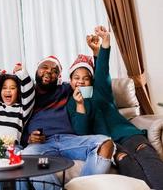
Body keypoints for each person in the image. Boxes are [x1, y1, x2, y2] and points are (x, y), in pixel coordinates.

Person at [67, 26, 163, 190]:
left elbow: (102, 69)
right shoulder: (71, 103)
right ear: (70, 81)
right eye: (76, 78)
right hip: (108, 143)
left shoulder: (101, 89)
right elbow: (81, 133)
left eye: (85, 78)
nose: (81, 81)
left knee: (145, 152)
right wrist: (80, 104)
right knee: (124, 159)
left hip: (128, 134)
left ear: (92, 81)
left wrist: (105, 42)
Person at [20, 55, 115, 189]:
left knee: (105, 144)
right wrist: (28, 139)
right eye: (44, 68)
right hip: (42, 145)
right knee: (28, 157)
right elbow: (16, 124)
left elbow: (95, 81)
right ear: (36, 70)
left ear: (59, 77)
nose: (49, 72)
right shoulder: (26, 95)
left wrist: (98, 53)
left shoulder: (66, 89)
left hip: (70, 141)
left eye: (54, 71)